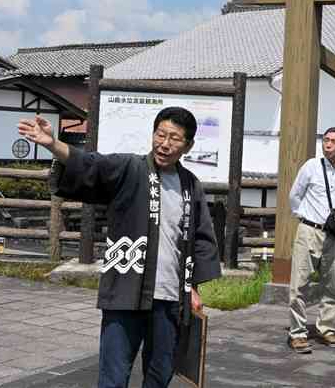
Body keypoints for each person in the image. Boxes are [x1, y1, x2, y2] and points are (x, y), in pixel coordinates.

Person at [17, 108, 222, 388]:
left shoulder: (190, 185)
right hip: (127, 290)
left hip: (171, 297)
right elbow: (91, 164)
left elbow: (200, 238)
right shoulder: (129, 168)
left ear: (188, 145)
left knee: (160, 374)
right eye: (160, 134)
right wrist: (53, 144)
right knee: (113, 376)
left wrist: (194, 287)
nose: (164, 144)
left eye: (174, 138)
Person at [288, 127, 335, 354]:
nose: (327, 144)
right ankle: (298, 333)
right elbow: (294, 195)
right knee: (299, 284)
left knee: (332, 285)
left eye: (333, 141)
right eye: (325, 140)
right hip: (309, 231)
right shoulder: (311, 166)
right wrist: (305, 216)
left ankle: (327, 328)